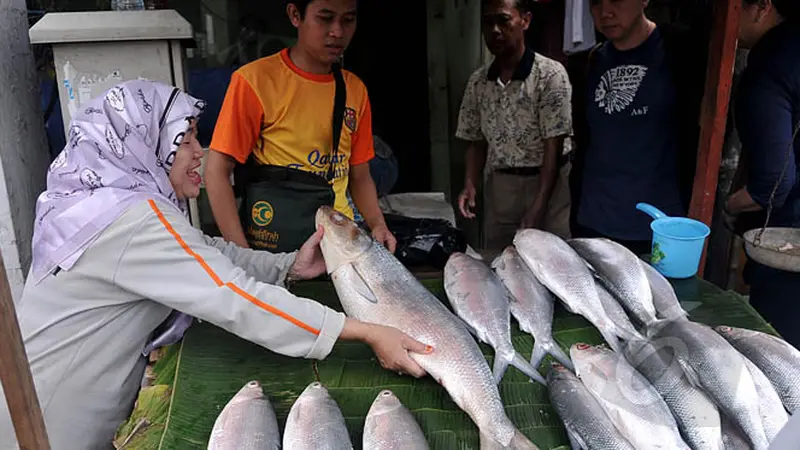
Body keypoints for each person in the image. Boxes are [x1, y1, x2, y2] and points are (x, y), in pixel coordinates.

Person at [0, 80, 431, 449]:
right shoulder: (132, 220)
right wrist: (365, 331)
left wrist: (288, 267)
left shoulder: (105, 203)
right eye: (184, 141)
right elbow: (233, 296)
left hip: (44, 405)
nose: (199, 152)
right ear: (143, 145)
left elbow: (206, 252)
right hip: (49, 425)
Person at [205, 0, 397, 254]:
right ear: (295, 15)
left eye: (348, 20)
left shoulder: (354, 89)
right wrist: (243, 255)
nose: (337, 32)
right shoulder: (255, 81)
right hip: (278, 243)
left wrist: (378, 224)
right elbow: (217, 171)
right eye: (325, 18)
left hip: (340, 240)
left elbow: (359, 175)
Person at [570, 0, 708, 255]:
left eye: (616, 0)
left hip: (658, 227)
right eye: (595, 3)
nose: (605, 12)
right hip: (594, 223)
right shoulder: (587, 64)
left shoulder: (680, 51)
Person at [456, 0, 574, 255]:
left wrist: (537, 209)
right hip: (502, 188)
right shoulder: (478, 82)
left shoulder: (550, 75)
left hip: (547, 187)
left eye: (504, 20)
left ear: (525, 21)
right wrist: (470, 183)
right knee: (501, 265)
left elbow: (552, 149)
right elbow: (475, 139)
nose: (495, 30)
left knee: (554, 267)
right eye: (488, 23)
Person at [724, 0, 799, 347]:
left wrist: (729, 206)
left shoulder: (769, 67)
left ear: (762, 7)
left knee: (781, 363)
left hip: (788, 251)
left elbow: (771, 187)